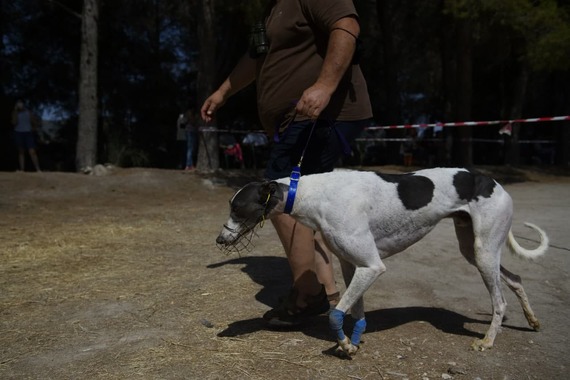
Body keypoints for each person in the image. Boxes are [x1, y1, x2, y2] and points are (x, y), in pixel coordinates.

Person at [201, 0, 372, 326]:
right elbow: (256, 57)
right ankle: (326, 293)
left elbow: (347, 27)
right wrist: (223, 92)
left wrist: (325, 85)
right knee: (306, 205)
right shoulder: (272, 8)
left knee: (277, 194)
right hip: (296, 121)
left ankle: (308, 293)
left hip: (324, 115)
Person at [11, 99, 41, 172]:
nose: (19, 105)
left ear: (23, 104)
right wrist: (15, 111)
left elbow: (35, 121)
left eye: (20, 103)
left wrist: (34, 128)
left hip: (28, 133)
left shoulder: (28, 112)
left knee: (32, 151)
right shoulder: (15, 113)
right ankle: (22, 169)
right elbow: (13, 122)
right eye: (18, 104)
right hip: (18, 132)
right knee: (21, 151)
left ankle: (38, 169)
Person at [177, 106, 198, 171]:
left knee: (189, 149)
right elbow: (181, 125)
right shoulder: (183, 117)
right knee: (189, 149)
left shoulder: (183, 117)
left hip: (184, 135)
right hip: (184, 135)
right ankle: (188, 165)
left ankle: (188, 164)